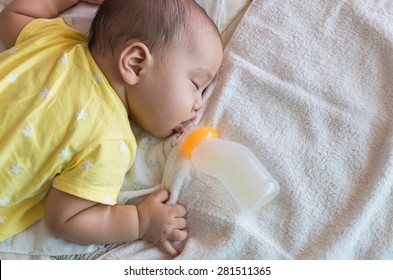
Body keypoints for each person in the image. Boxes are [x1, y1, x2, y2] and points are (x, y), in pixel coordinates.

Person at [0, 0, 223, 257]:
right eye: (196, 84)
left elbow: (13, 15)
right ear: (136, 63)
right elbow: (65, 218)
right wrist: (140, 222)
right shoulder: (109, 139)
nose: (199, 104)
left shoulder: (54, 39)